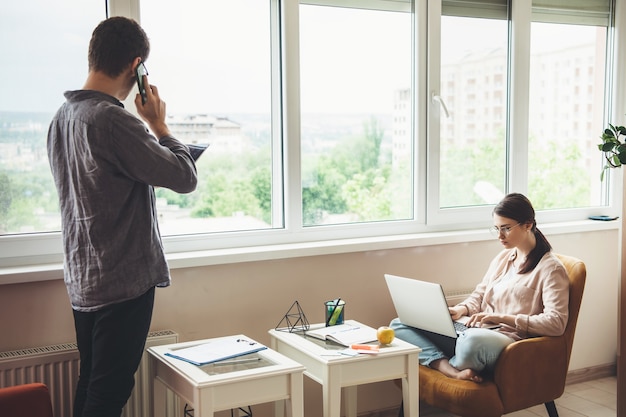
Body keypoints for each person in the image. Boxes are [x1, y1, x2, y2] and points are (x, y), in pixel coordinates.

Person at [47, 17, 198, 417]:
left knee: (92, 384)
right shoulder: (113, 120)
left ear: (93, 56)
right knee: (109, 393)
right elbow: (184, 177)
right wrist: (158, 125)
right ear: (137, 67)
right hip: (121, 282)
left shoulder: (61, 119)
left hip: (84, 279)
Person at [390, 193, 569, 382]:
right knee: (399, 324)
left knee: (471, 341)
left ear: (528, 225)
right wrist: (462, 309)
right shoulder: (504, 258)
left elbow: (556, 323)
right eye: (497, 229)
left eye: (506, 229)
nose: (500, 236)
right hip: (478, 330)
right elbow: (480, 294)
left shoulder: (551, 269)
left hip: (508, 341)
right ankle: (450, 369)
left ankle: (449, 360)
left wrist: (501, 318)